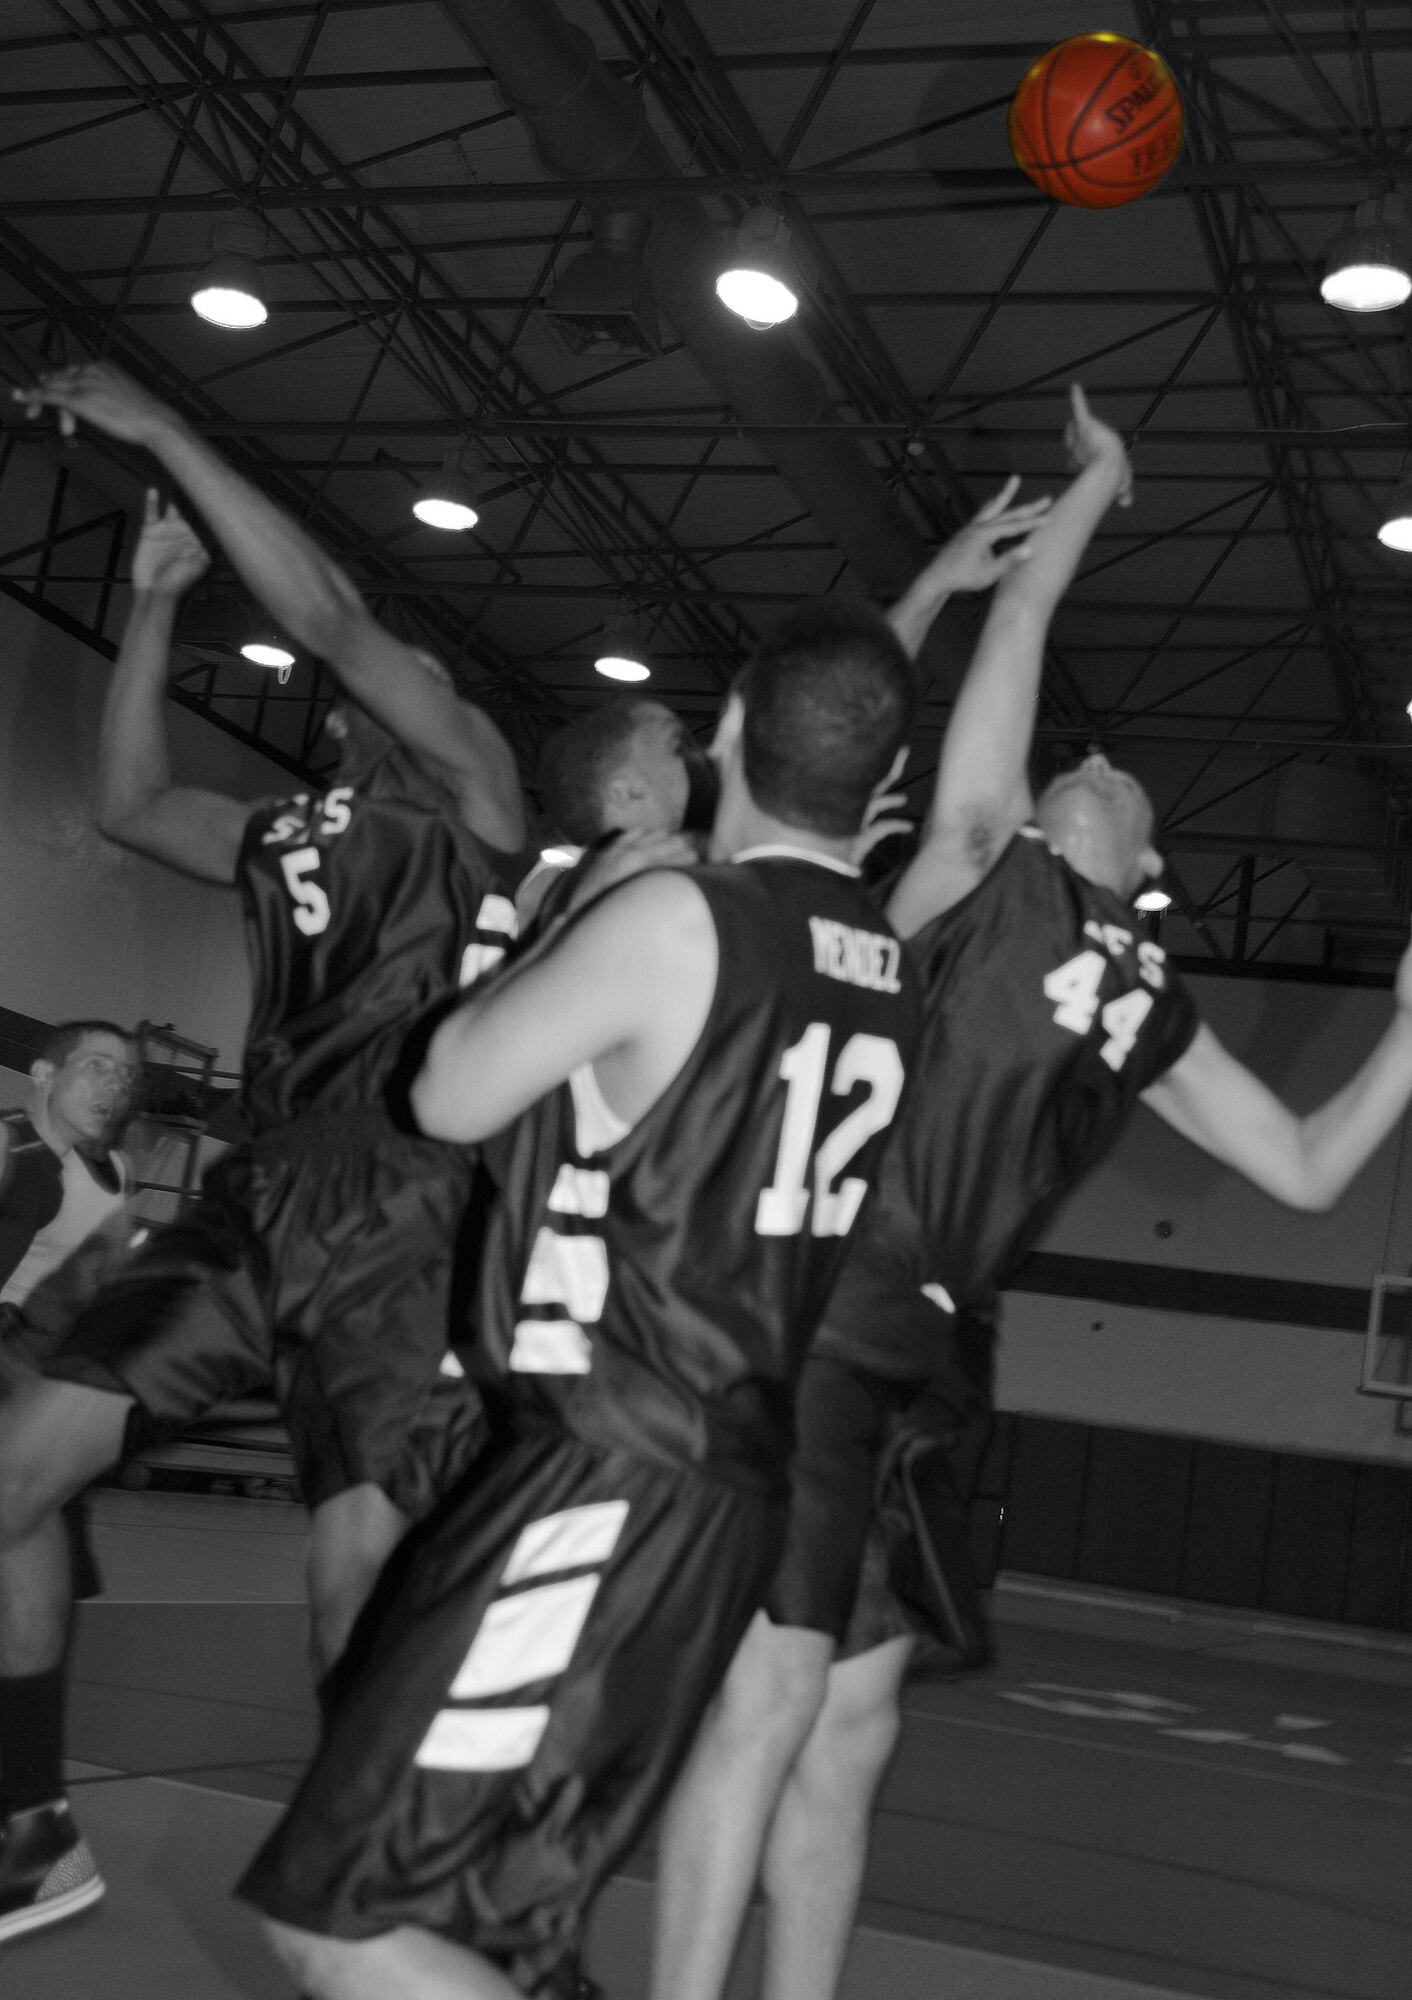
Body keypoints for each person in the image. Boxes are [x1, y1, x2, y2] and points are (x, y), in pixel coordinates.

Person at [649, 386, 1412, 2000]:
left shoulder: (1149, 1004)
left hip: (937, 1356)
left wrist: (1411, 1030)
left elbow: (1311, 1166)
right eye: (1096, 759)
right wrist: (1099, 490)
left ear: (1151, 869)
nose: (1107, 755)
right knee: (771, 1705)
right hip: (817, 1299)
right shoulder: (970, 868)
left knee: (853, 1732)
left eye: (1126, 779)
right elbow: (1032, 617)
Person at [235, 598, 922, 2000]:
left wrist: (578, 920)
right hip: (705, 1477)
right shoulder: (884, 969)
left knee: (336, 1917)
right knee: (496, 1921)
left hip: (604, 1473)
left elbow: (446, 1091)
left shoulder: (680, 919)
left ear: (731, 737)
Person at [0, 361, 528, 1943]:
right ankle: (29, 1826)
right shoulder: (284, 835)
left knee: (349, 1586)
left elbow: (346, 627)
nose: (384, 679)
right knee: (17, 1472)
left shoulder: (476, 794)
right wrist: (156, 598)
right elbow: (127, 796)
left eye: (403, 670)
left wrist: (166, 432)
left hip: (407, 1209)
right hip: (254, 1193)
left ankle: (411, 1900)